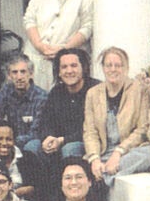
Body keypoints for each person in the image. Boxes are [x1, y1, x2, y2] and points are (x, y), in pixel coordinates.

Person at [83, 46, 150, 186]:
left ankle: (102, 179)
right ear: (103, 68)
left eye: (118, 65)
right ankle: (104, 171)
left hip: (130, 151)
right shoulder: (93, 93)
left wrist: (118, 153)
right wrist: (94, 159)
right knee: (80, 163)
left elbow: (143, 129)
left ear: (126, 68)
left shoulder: (139, 90)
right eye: (109, 65)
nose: (113, 69)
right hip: (104, 151)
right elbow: (90, 132)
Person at [22, 0, 94, 91]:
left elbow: (88, 26)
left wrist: (64, 49)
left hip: (67, 60)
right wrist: (40, 46)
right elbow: (29, 19)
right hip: (36, 57)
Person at [30, 48, 100, 183]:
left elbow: (95, 129)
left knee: (71, 148)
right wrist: (48, 138)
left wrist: (62, 140)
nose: (69, 71)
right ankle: (40, 193)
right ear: (59, 72)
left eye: (74, 66)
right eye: (64, 67)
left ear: (83, 68)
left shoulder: (96, 90)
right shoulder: (57, 91)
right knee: (32, 146)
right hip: (58, 142)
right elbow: (45, 121)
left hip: (87, 142)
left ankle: (71, 192)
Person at [0, 54, 49, 151]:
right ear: (9, 76)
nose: (19, 77)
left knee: (32, 146)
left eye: (23, 72)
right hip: (9, 140)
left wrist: (6, 141)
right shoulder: (6, 90)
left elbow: (36, 132)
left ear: (31, 74)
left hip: (32, 143)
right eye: (14, 72)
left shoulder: (42, 97)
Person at [0, 119, 45, 201]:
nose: (4, 143)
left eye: (9, 139)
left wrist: (23, 191)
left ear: (14, 140)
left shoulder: (28, 158)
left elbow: (40, 186)